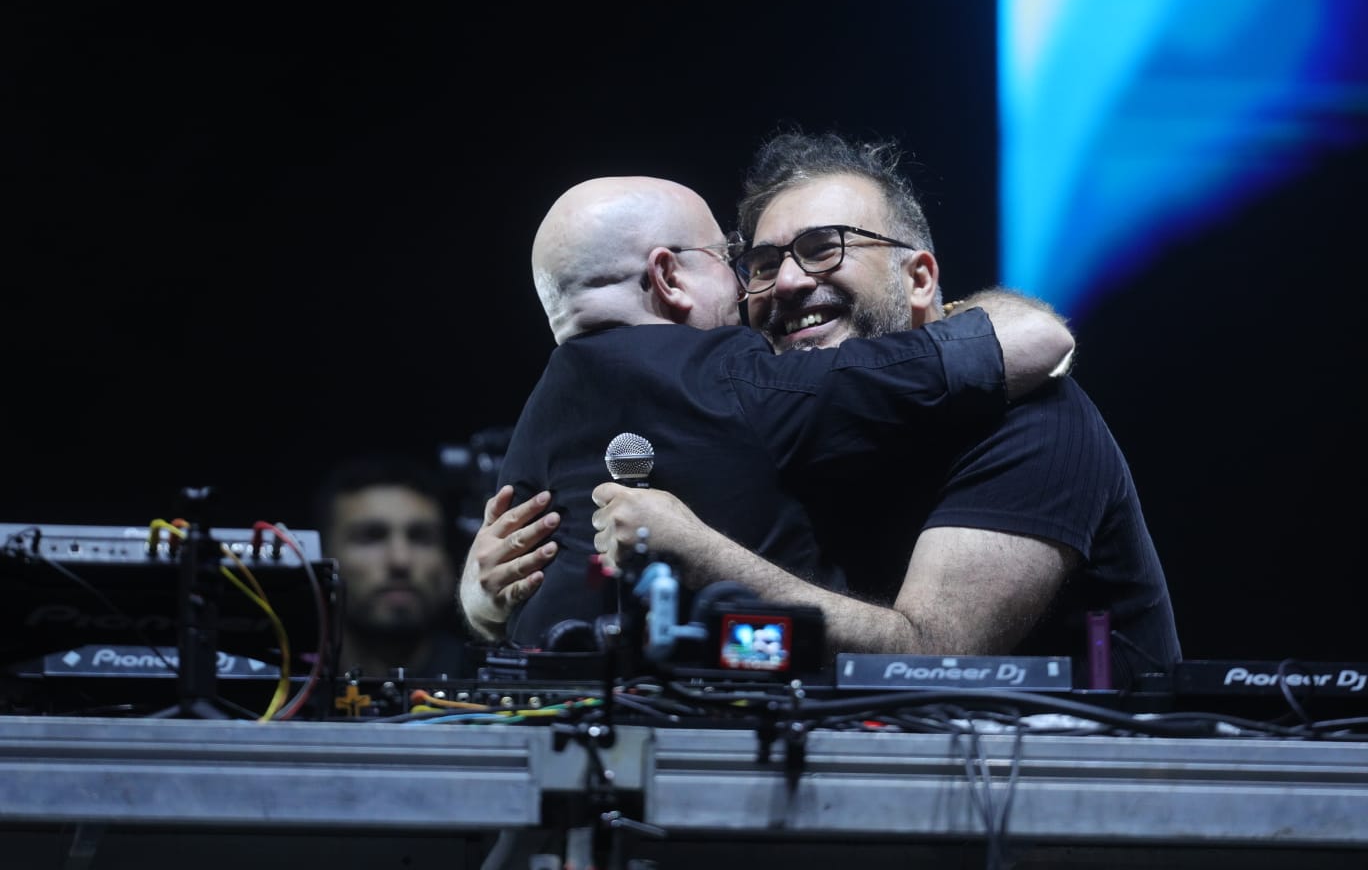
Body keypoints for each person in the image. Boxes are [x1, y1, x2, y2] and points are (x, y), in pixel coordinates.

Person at [586, 129, 1181, 687]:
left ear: (919, 280)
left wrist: (698, 553)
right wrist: (489, 606)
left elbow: (931, 660)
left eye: (824, 248)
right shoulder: (770, 422)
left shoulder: (1033, 418)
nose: (788, 282)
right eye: (764, 266)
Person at [459, 174, 1073, 655]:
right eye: (740, 260)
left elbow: (515, 608)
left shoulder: (538, 419)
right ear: (668, 276)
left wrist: (479, 605)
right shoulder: (743, 380)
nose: (776, 285)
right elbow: (1041, 340)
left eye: (821, 250)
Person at [313, 452, 471, 678]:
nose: (400, 560)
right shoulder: (284, 692)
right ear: (324, 559)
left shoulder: (485, 680)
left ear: (447, 563)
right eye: (370, 537)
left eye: (421, 537)